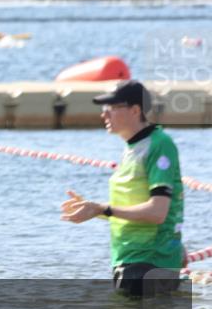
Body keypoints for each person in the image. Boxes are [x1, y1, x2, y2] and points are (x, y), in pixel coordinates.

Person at [60, 80, 185, 297]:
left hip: (148, 264)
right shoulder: (132, 148)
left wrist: (102, 209)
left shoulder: (158, 145)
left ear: (135, 110)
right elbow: (133, 211)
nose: (104, 115)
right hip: (132, 262)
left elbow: (157, 212)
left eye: (112, 108)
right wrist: (93, 210)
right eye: (103, 109)